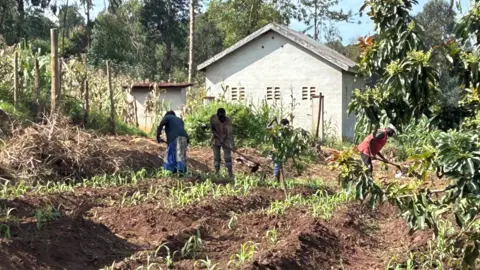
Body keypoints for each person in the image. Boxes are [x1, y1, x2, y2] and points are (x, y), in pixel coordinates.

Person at [210, 108, 234, 177]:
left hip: (225, 139)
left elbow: (228, 132)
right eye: (220, 117)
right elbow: (213, 130)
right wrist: (219, 138)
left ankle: (230, 173)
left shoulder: (228, 120)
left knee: (228, 158)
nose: (221, 119)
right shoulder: (213, 118)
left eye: (223, 117)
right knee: (217, 158)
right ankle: (217, 173)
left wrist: (223, 139)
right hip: (216, 139)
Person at [267, 117, 290, 182]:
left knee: (278, 166)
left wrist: (273, 120)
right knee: (277, 166)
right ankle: (274, 180)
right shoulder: (284, 131)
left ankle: (277, 181)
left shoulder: (275, 129)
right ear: (286, 125)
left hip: (275, 150)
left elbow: (267, 127)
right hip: (279, 151)